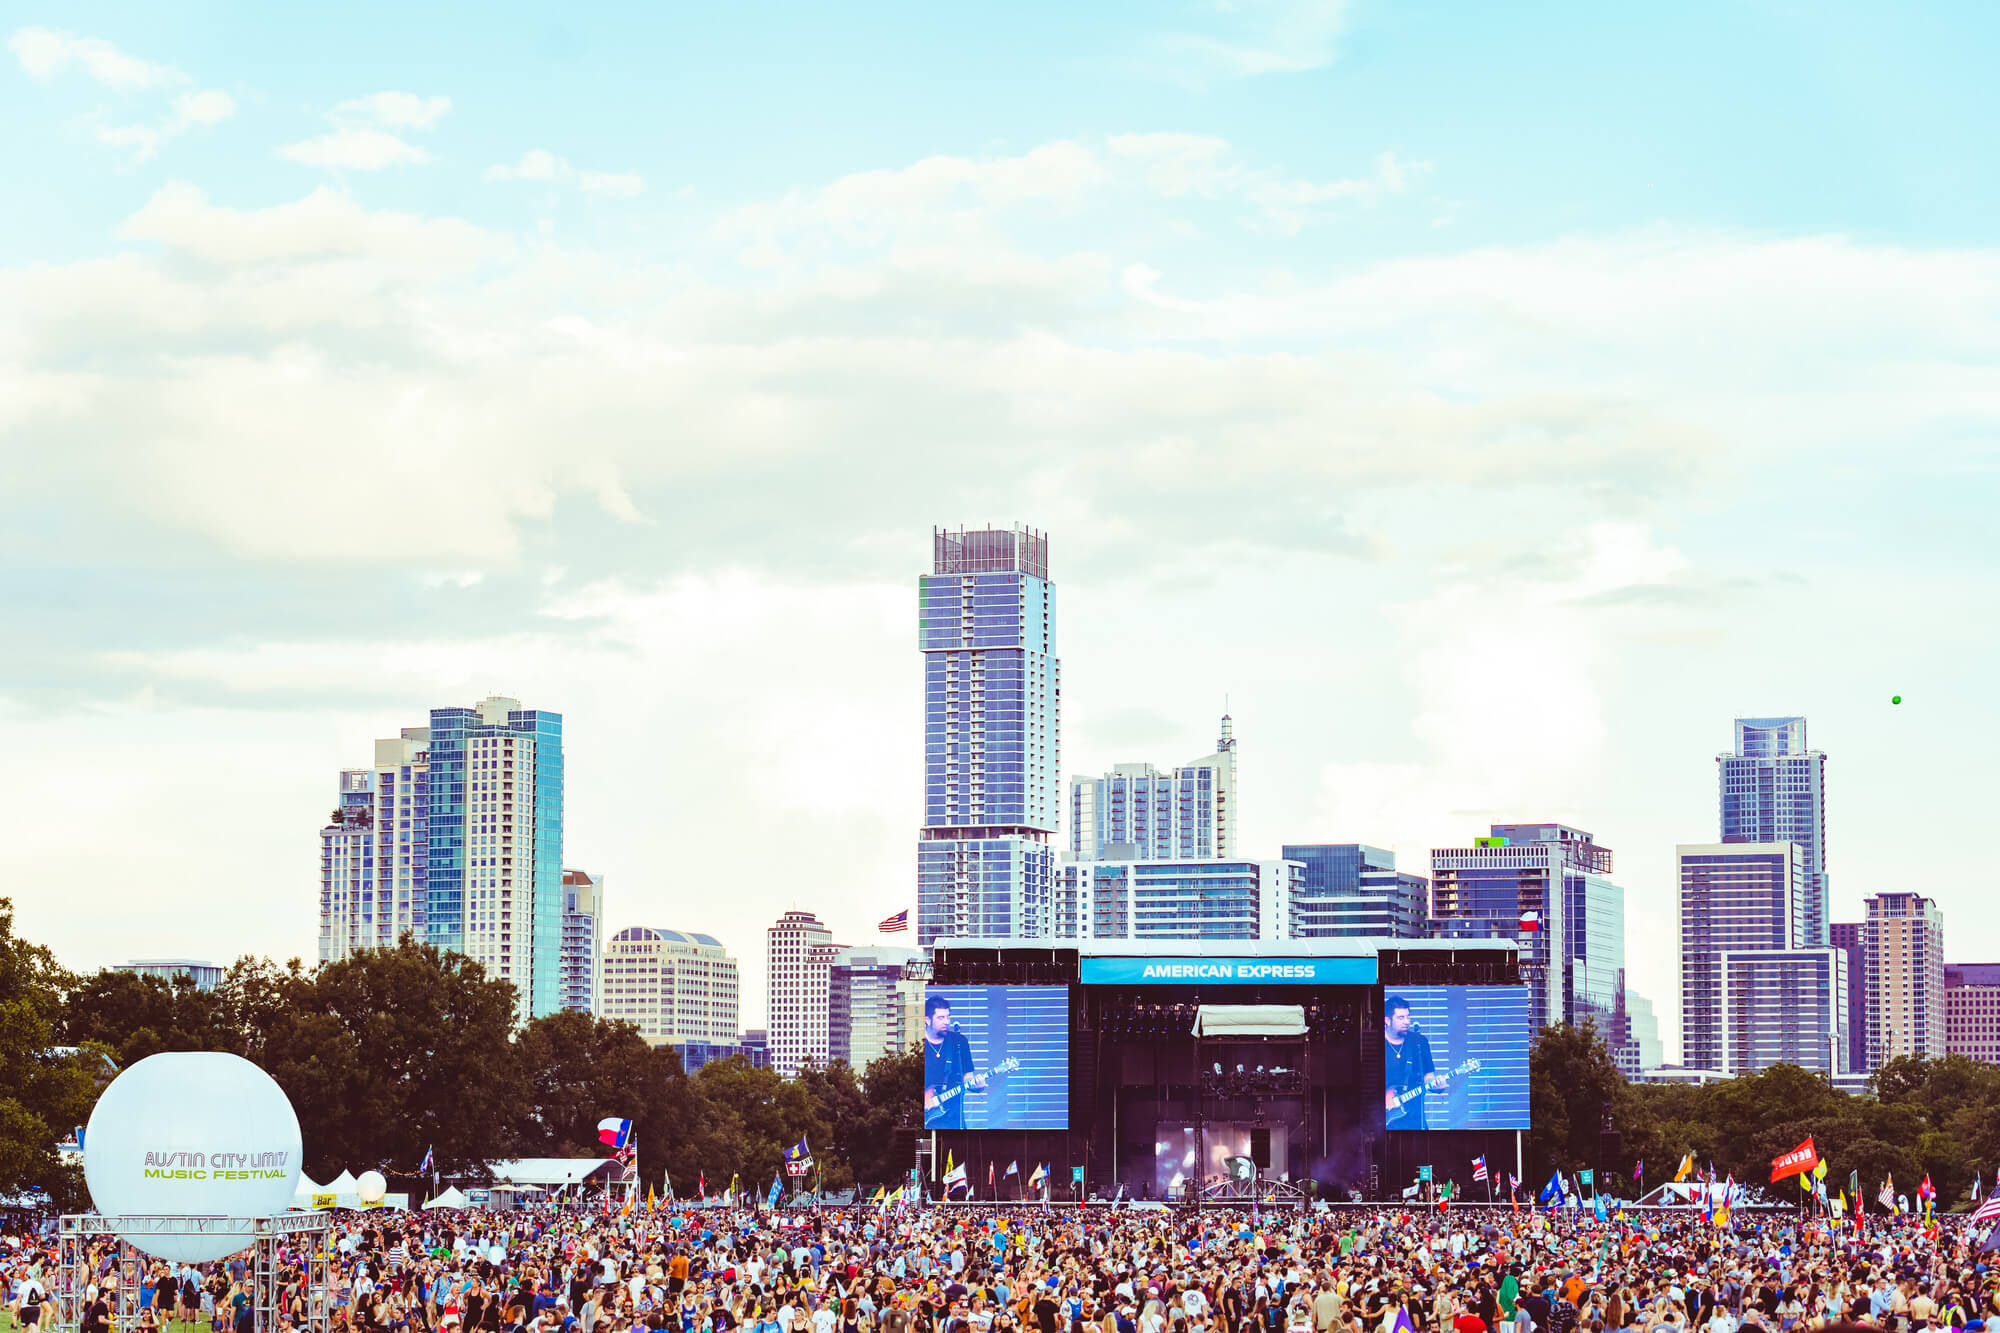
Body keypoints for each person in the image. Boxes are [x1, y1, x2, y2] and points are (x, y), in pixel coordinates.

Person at [1383, 996, 1447, 1130]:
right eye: (1401, 1018)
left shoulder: (1419, 1042)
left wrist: (1437, 1085)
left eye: (1408, 1017)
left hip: (1416, 1121)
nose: (1406, 1022)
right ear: (1387, 1020)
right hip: (1385, 1123)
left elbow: (1428, 1077)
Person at [922, 996, 985, 1130]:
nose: (946, 1022)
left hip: (955, 1121)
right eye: (940, 1018)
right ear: (927, 1020)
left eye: (948, 1017)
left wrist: (977, 1085)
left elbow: (967, 1077)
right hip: (927, 1122)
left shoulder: (959, 1042)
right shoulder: (919, 1045)